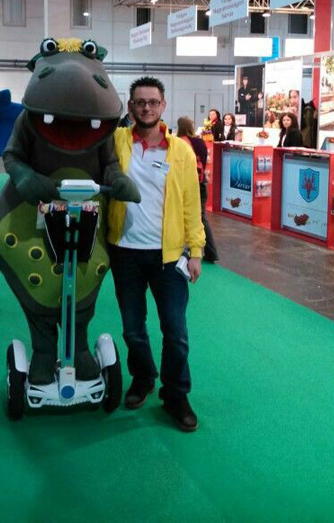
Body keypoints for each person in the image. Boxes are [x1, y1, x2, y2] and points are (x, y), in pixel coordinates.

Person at [108, 76, 205, 432]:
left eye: (153, 102)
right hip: (125, 253)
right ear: (130, 106)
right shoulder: (117, 141)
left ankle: (176, 394)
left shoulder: (181, 151)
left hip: (169, 257)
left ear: (163, 106)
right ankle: (144, 377)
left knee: (176, 332)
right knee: (133, 329)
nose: (146, 108)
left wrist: (196, 250)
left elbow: (192, 204)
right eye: (140, 102)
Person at [176, 116, 219, 264]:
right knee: (200, 218)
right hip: (201, 184)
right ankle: (210, 251)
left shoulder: (179, 142)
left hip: (185, 185)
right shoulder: (200, 142)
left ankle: (187, 249)